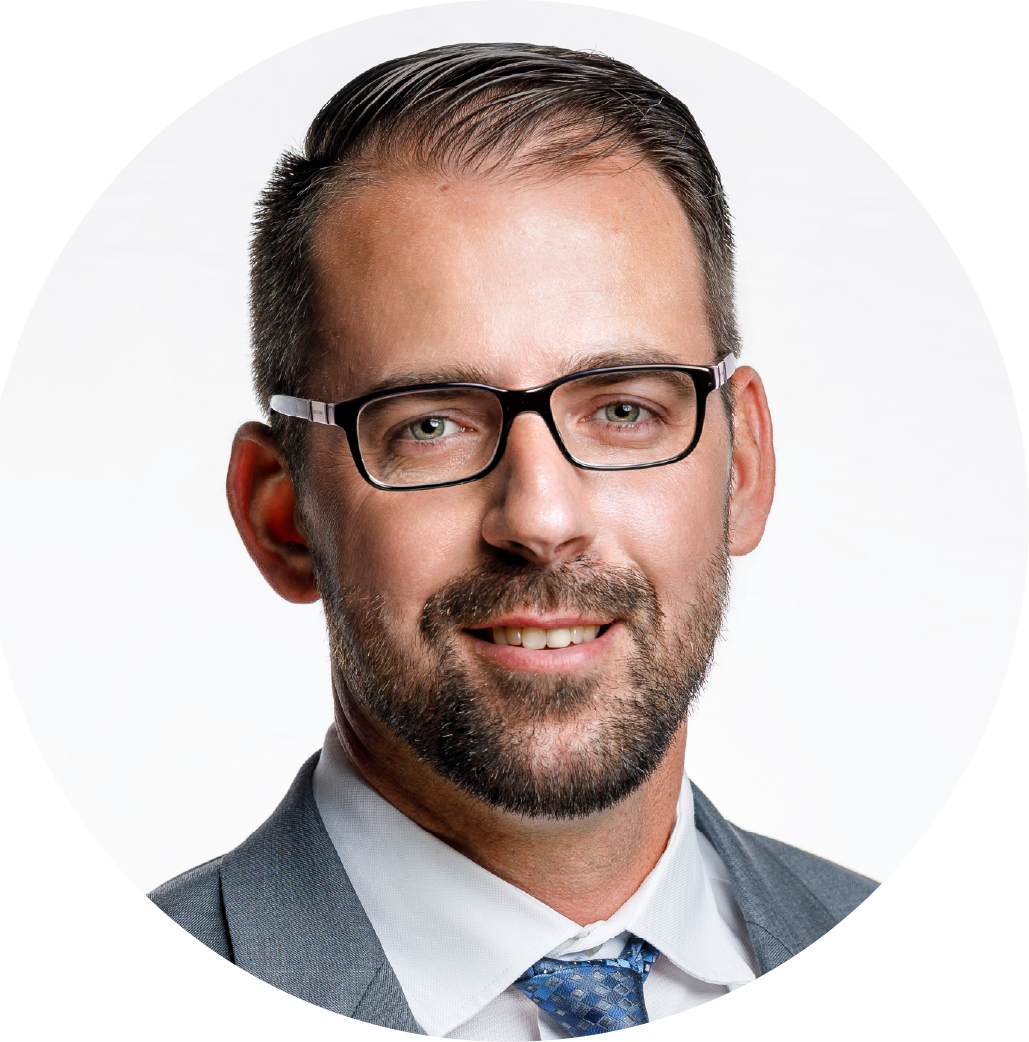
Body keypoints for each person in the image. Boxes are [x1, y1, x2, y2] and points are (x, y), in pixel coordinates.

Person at [149, 42, 877, 1039]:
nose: (540, 517)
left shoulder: (931, 973)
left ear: (742, 464)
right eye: (430, 424)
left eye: (623, 409)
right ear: (282, 517)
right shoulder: (114, 1003)